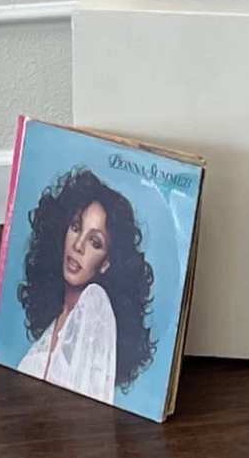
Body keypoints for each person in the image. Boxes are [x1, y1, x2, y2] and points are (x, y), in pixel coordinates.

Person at [9, 167, 156, 403]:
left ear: (106, 262)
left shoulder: (94, 304)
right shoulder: (57, 319)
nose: (78, 246)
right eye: (76, 228)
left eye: (95, 242)